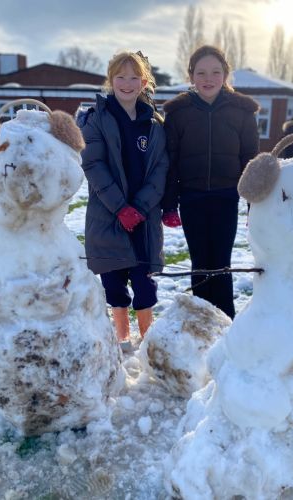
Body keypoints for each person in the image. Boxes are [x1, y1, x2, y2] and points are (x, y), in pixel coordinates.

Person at [77, 51, 169, 349]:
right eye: (120, 77)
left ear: (143, 82)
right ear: (111, 80)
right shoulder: (96, 120)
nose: (127, 84)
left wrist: (139, 207)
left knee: (145, 282)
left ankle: (146, 339)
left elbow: (161, 168)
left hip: (144, 218)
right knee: (114, 282)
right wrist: (121, 208)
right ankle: (122, 337)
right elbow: (93, 164)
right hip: (108, 215)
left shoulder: (154, 123)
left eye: (134, 77)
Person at [161, 45, 260, 319]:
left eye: (216, 72)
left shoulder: (242, 111)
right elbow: (170, 160)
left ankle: (225, 319)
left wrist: (254, 205)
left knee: (221, 262)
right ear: (191, 75)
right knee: (200, 263)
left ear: (225, 74)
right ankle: (201, 320)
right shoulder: (178, 112)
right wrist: (169, 204)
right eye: (201, 72)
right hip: (191, 198)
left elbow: (251, 161)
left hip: (226, 197)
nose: (208, 78)